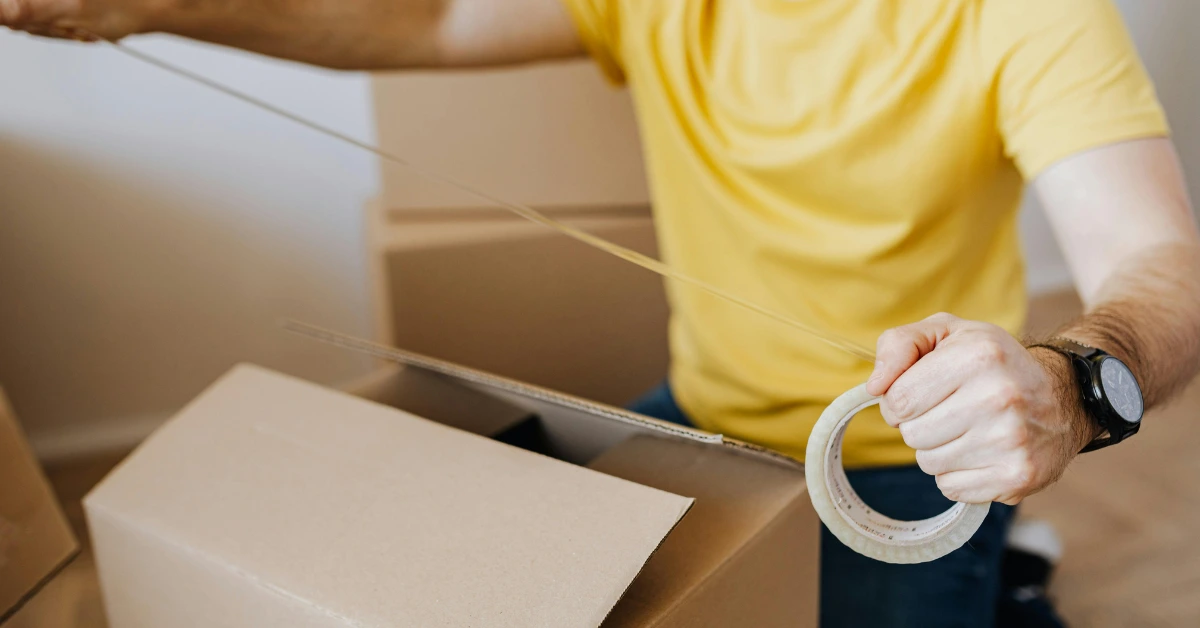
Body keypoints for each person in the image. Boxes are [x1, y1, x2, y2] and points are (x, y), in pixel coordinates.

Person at [4, 1, 1199, 626]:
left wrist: (1068, 386)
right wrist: (160, 4)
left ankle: (1000, 573)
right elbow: (422, 19)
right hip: (703, 415)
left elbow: (1161, 259)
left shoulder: (1030, 9)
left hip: (902, 467)